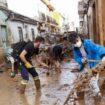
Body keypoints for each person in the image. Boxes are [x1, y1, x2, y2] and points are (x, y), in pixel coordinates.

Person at [67, 31, 105, 105]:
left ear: (79, 37)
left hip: (93, 64)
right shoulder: (75, 48)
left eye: (76, 41)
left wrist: (103, 55)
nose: (76, 44)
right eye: (74, 43)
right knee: (86, 80)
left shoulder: (88, 43)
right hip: (85, 65)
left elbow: (98, 48)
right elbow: (76, 57)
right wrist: (81, 60)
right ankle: (91, 96)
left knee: (93, 80)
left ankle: (97, 95)